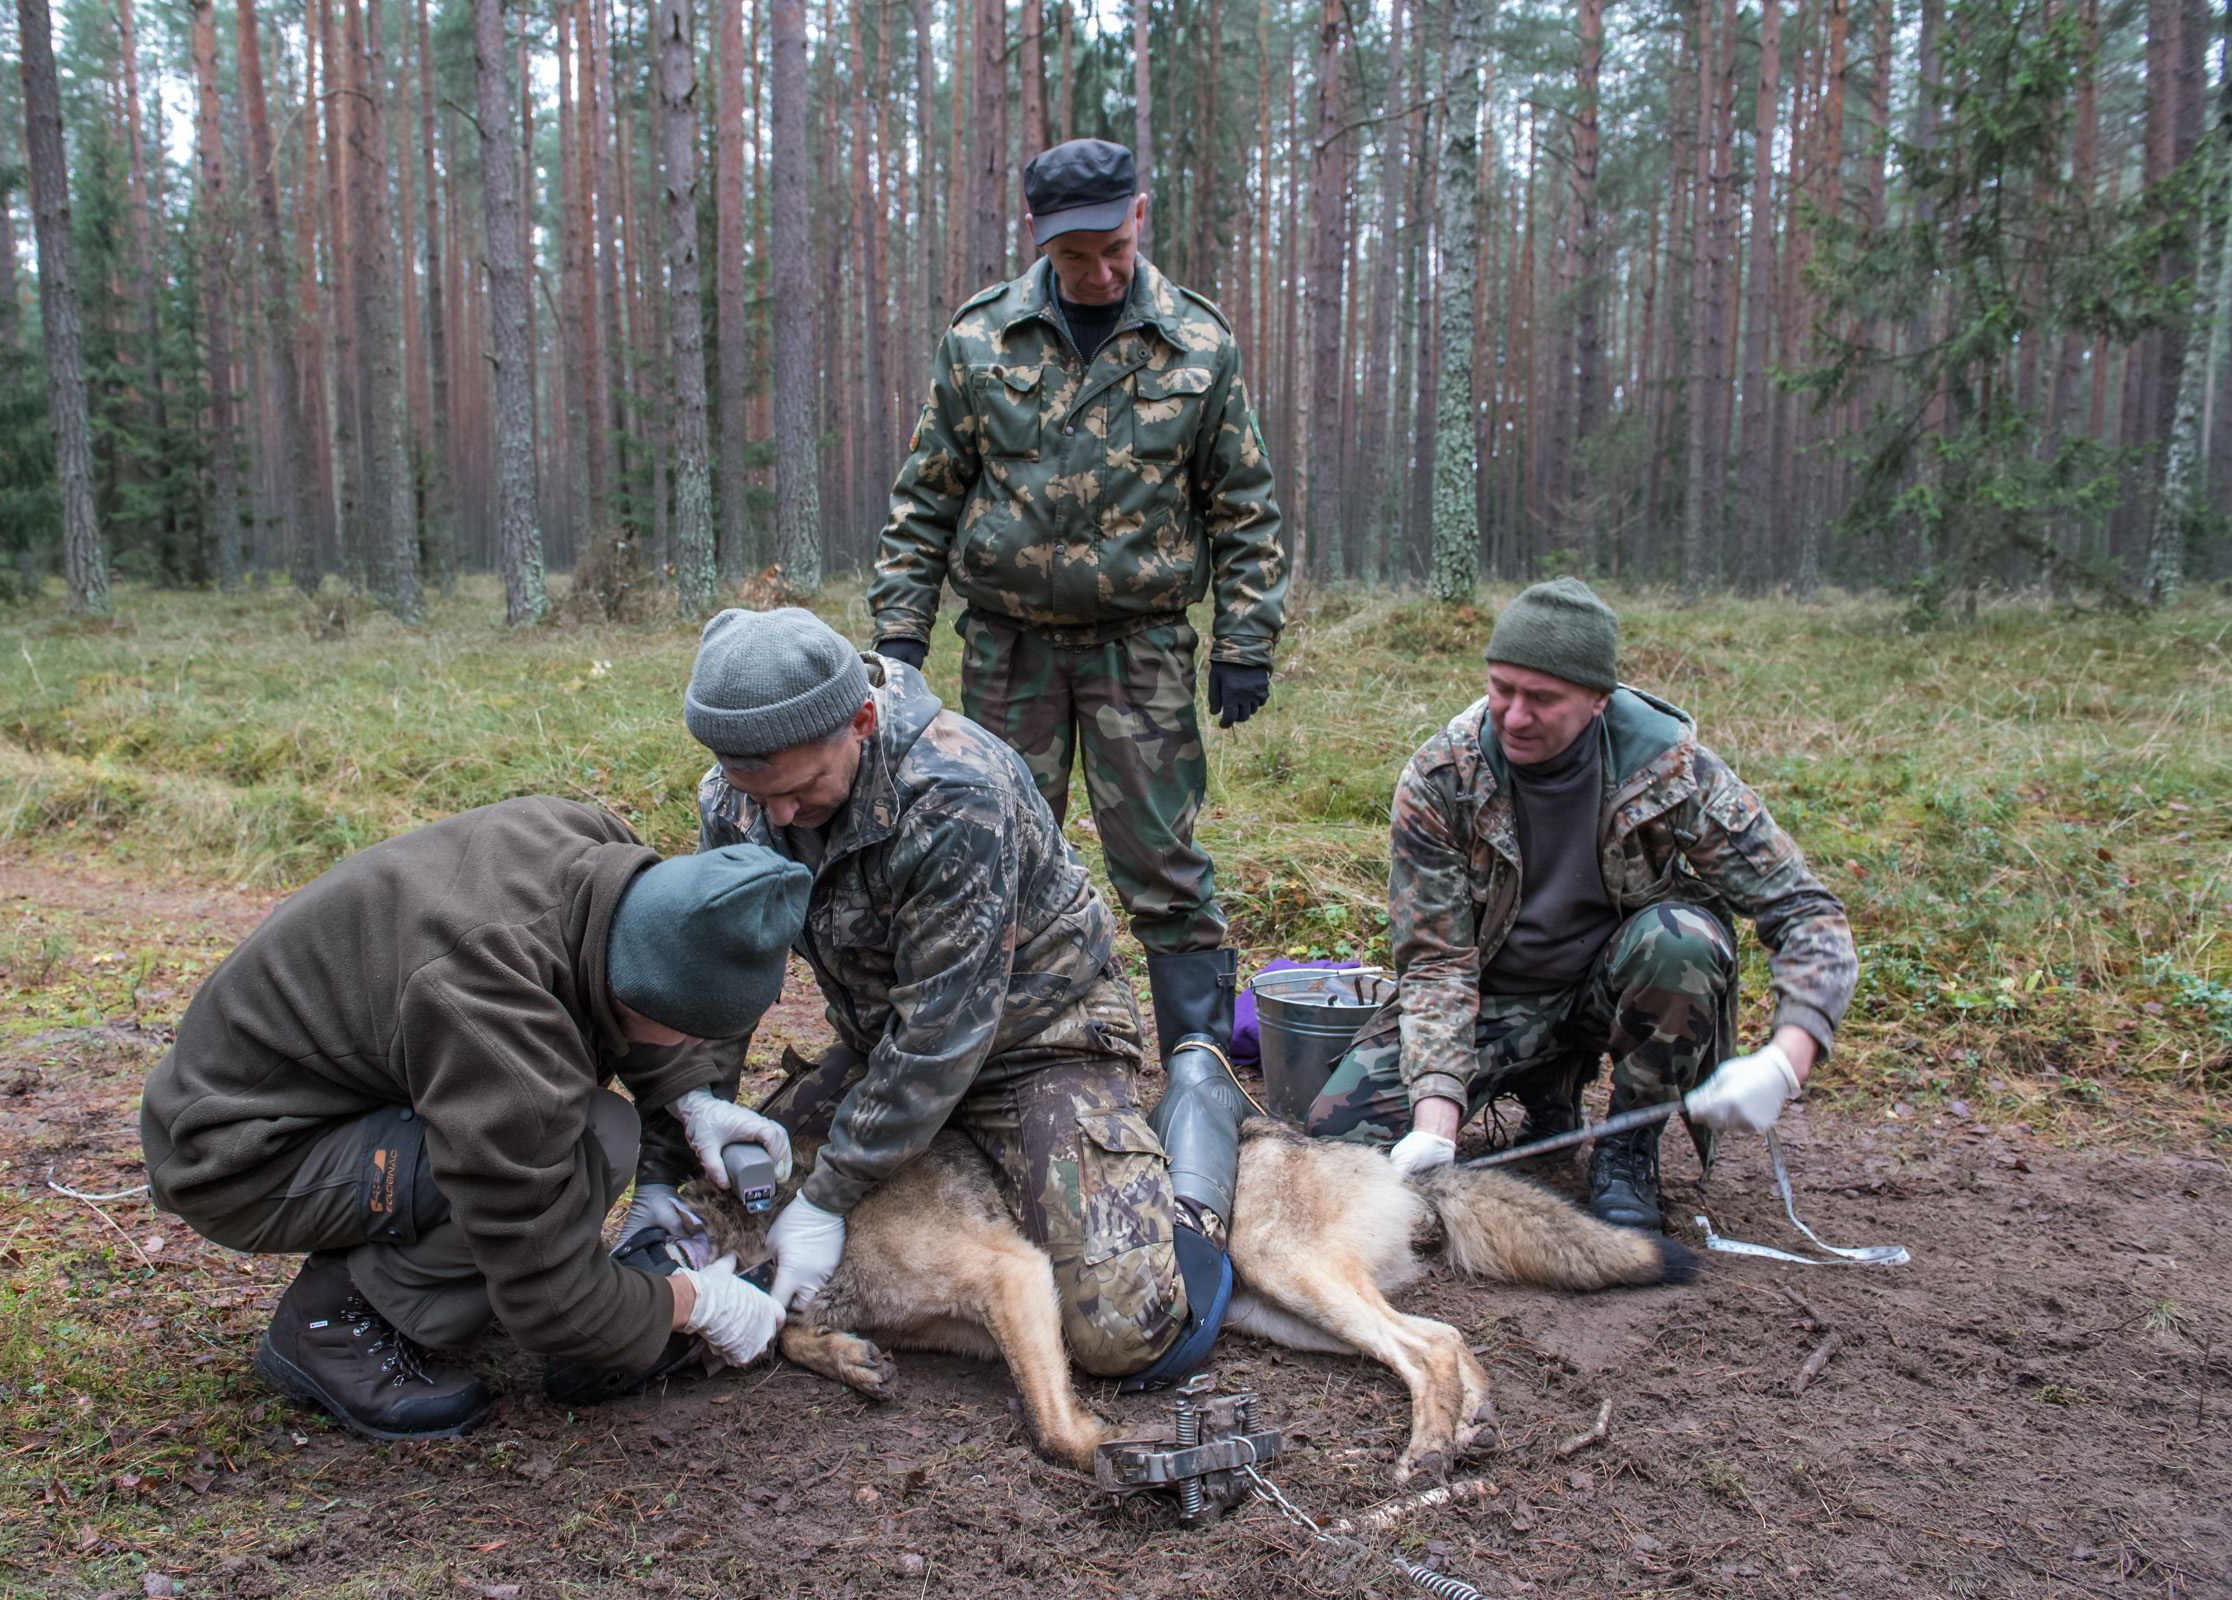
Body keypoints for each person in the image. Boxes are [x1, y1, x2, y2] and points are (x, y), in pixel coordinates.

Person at [677, 607, 1257, 1389]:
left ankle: (1197, 1136)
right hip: (886, 1045)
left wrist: (830, 1196)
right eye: (758, 791)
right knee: (715, 1217)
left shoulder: (955, 789)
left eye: (802, 789)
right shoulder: (737, 799)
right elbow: (718, 975)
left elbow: (942, 1033)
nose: (779, 816)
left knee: (1132, 1333)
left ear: (861, 718)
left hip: (1037, 1041)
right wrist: (678, 1134)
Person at [140, 799, 810, 1440]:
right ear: (636, 994)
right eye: (693, 1037)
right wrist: (695, 1303)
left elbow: (618, 982)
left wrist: (688, 1097)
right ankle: (334, 1326)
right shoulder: (494, 1020)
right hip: (239, 1150)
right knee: (579, 1151)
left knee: (592, 1135)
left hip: (327, 1094)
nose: (696, 1049)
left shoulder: (599, 853)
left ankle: (422, 1280)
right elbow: (553, 1302)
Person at [866, 136, 1288, 1064]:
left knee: (1164, 868)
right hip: (1006, 651)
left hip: (1140, 652)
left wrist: (1245, 640)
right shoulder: (981, 340)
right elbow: (927, 494)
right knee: (992, 855)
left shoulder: (1198, 342)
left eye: (1114, 249)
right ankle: (1003, 1058)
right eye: (1073, 256)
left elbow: (1245, 509)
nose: (1098, 273)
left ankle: (1198, 1077)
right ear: (1040, 240)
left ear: (1140, 214)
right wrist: (899, 636)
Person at [1305, 579, 1859, 1231]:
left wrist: (1785, 1061)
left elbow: (1807, 912)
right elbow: (1437, 963)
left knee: (1684, 938)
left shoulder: (1673, 772)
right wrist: (1436, 1123)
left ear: (1599, 700)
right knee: (1337, 1139)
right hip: (1496, 999)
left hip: (1614, 991)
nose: (1513, 716)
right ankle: (1546, 1083)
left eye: (1542, 699)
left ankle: (1625, 1148)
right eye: (1500, 689)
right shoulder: (1442, 779)